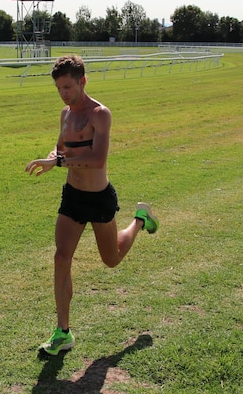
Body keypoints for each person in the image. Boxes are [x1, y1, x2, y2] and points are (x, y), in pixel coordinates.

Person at [25, 54, 158, 356]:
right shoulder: (65, 115)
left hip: (98, 198)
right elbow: (60, 149)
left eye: (69, 86)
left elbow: (98, 159)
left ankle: (139, 219)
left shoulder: (100, 114)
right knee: (61, 257)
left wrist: (58, 162)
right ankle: (63, 332)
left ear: (83, 81)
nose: (64, 93)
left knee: (111, 259)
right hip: (72, 196)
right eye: (59, 88)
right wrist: (52, 160)